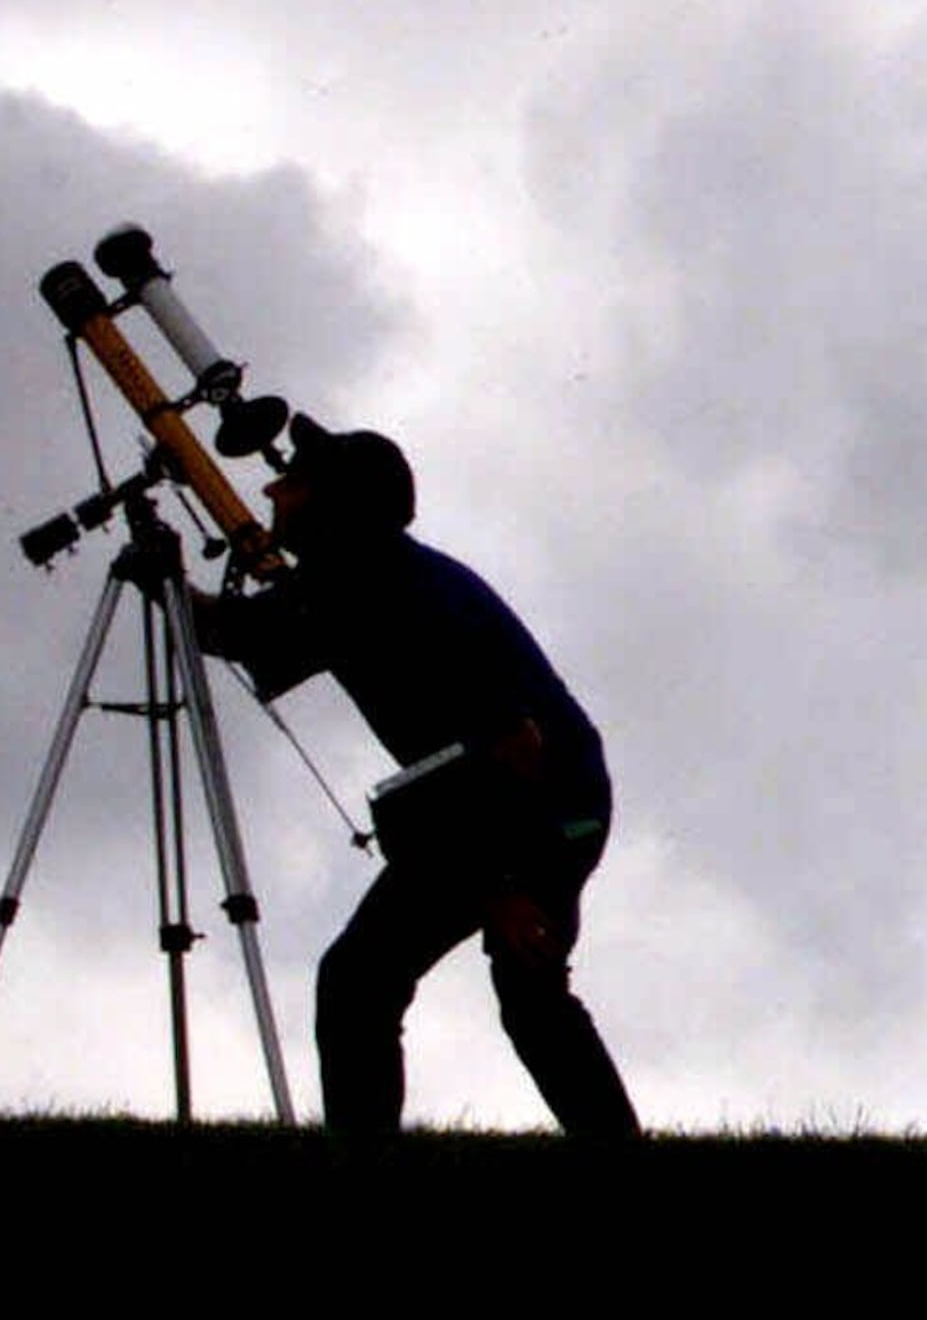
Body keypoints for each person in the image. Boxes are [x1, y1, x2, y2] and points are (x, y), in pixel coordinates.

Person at [192, 421, 641, 1138]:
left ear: (335, 506)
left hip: (545, 809)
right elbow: (238, 635)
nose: (273, 488)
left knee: (474, 986)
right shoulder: (349, 578)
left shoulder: (402, 594)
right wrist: (162, 579)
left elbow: (517, 748)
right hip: (488, 804)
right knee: (390, 986)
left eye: (295, 481)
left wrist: (509, 888)